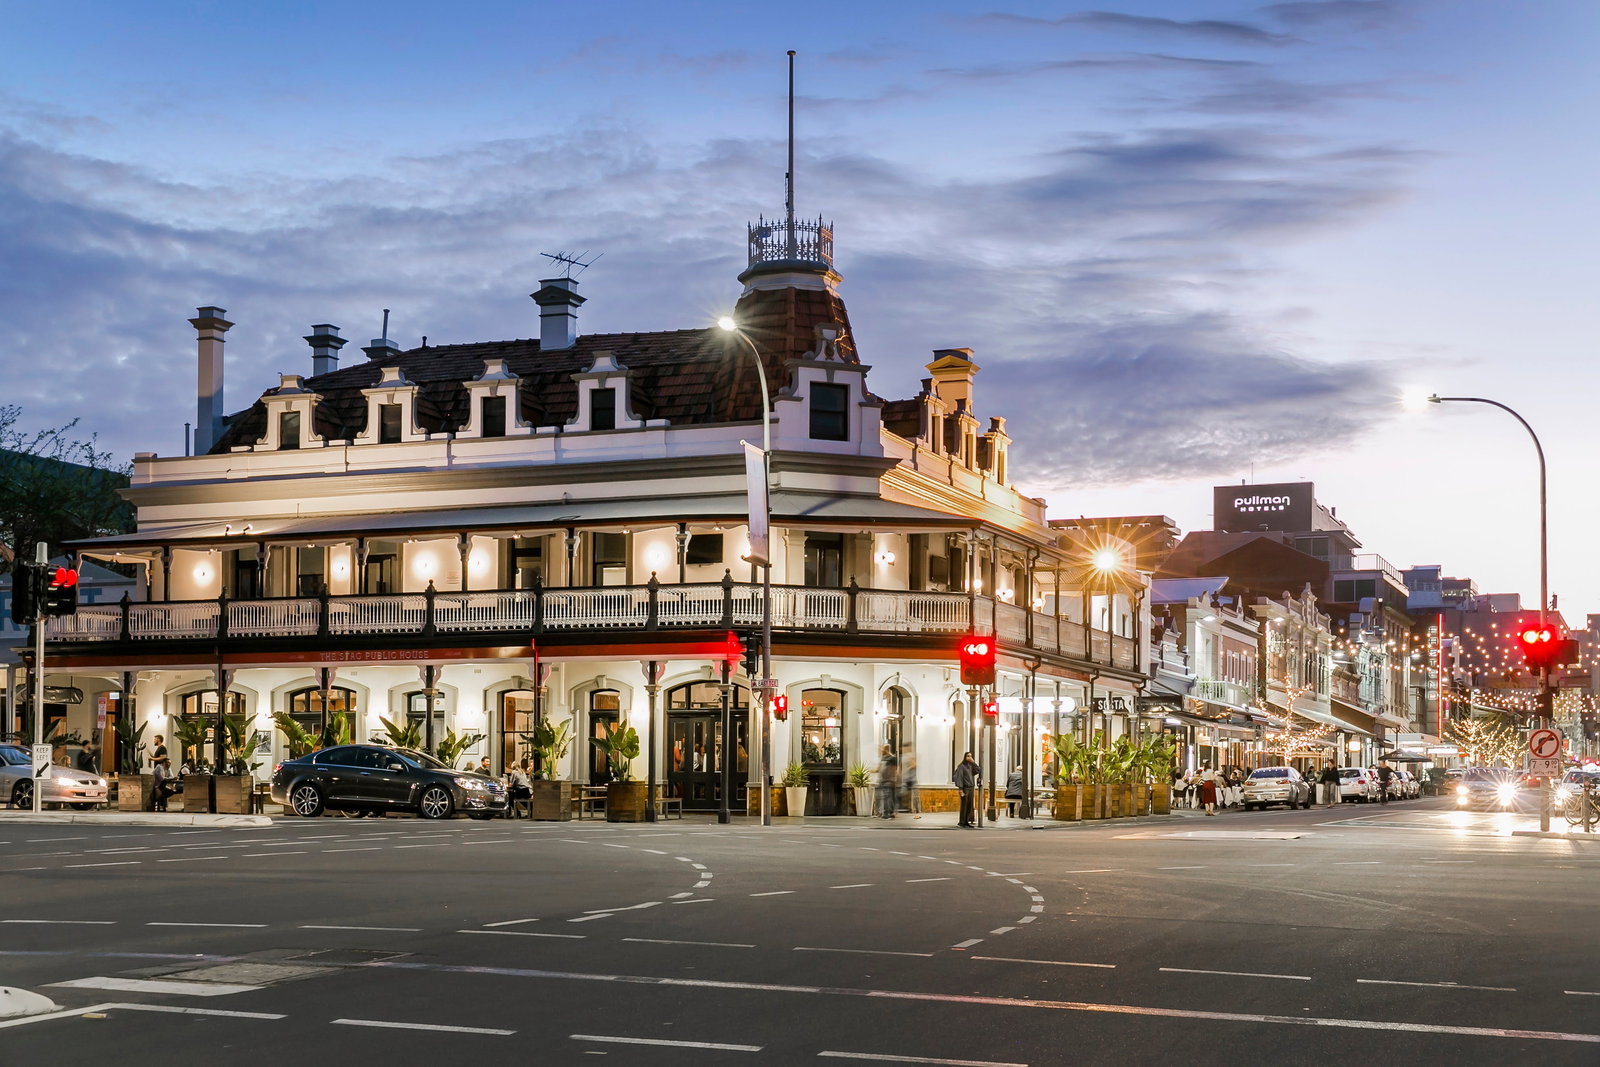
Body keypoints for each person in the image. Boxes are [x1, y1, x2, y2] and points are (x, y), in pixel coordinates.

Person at [955, 751, 981, 828]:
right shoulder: (961, 766)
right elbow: (960, 777)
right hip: (965, 788)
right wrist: (960, 789)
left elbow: (978, 770)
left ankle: (966, 821)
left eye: (971, 756)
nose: (969, 757)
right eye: (968, 756)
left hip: (971, 788)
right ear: (965, 757)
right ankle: (962, 822)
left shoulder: (970, 766)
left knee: (969, 805)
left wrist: (973, 762)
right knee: (964, 805)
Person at [875, 745, 899, 818]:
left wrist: (893, 780)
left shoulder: (893, 758)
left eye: (882, 749)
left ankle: (886, 813)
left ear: (886, 750)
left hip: (889, 781)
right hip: (881, 781)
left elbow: (894, 770)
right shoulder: (883, 758)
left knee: (887, 797)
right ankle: (888, 812)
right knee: (883, 797)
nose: (881, 750)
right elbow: (879, 769)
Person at [900, 745, 920, 818]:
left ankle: (917, 813)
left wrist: (908, 767)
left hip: (912, 779)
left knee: (915, 796)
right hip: (906, 779)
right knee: (901, 793)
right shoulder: (904, 756)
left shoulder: (911, 756)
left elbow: (914, 765)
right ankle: (897, 810)